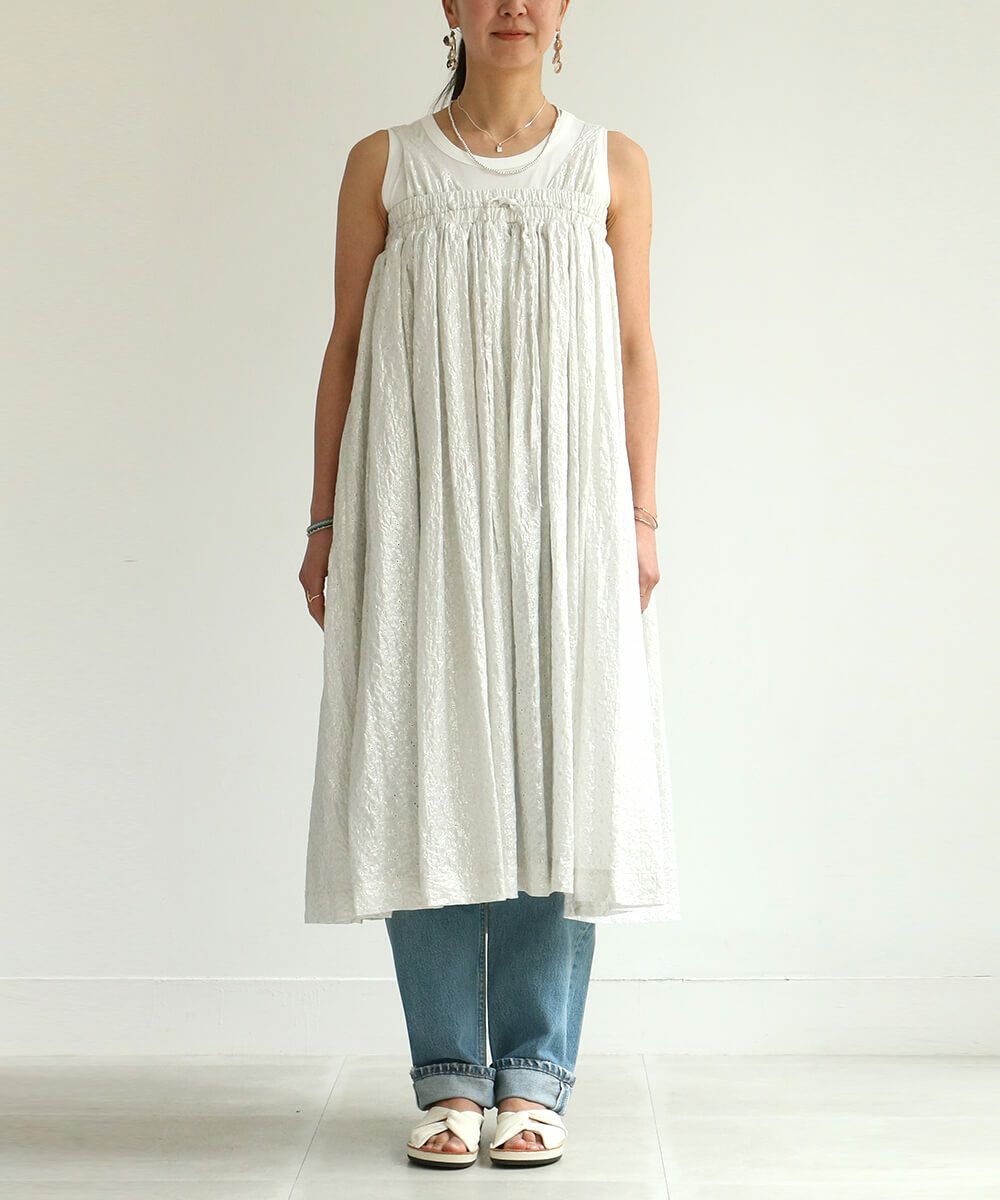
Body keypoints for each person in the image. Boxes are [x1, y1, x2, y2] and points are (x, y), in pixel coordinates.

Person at [299, 0, 680, 1169]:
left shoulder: (611, 165)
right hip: (419, 508)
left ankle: (534, 1076)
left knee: (554, 766)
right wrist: (323, 519)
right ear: (449, 8)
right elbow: (346, 343)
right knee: (425, 764)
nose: (513, 3)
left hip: (565, 517)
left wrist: (639, 515)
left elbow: (634, 347)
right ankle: (448, 1080)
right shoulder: (385, 163)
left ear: (562, 13)